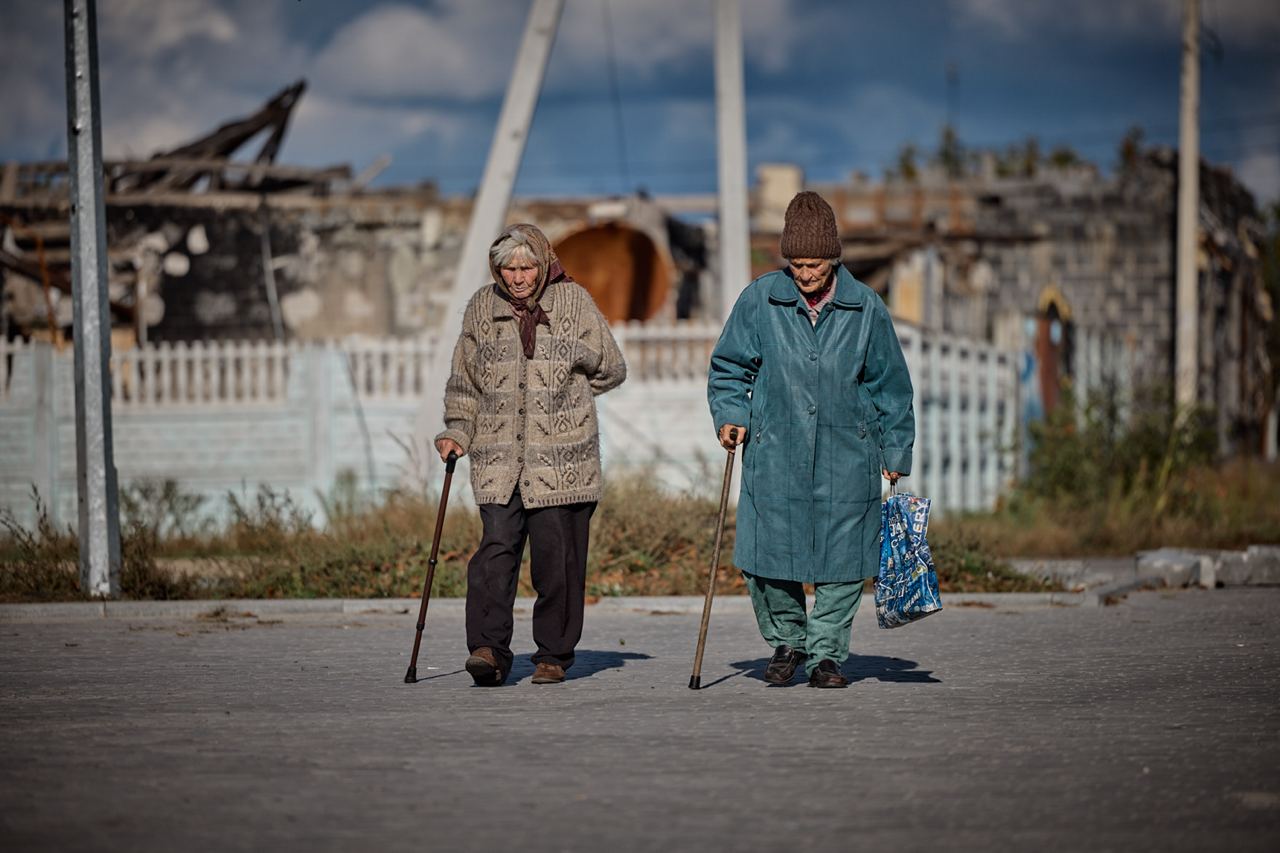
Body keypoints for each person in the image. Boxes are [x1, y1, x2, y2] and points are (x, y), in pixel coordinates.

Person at [707, 192, 915, 688]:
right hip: (774, 448)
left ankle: (825, 655)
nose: (805, 274)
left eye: (815, 264)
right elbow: (730, 367)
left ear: (834, 258)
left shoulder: (866, 307)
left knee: (844, 562)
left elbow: (891, 386)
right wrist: (731, 414)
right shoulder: (760, 299)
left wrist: (895, 450)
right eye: (797, 264)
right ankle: (788, 641)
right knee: (766, 556)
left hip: (849, 453)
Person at [435, 223, 626, 686]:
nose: (518, 277)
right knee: (494, 552)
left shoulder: (574, 303)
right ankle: (488, 649)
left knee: (556, 559)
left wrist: (566, 394)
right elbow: (465, 382)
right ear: (496, 269)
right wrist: (457, 429)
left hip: (563, 459)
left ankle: (554, 655)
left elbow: (611, 368)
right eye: (509, 268)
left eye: (526, 267)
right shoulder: (483, 307)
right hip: (498, 457)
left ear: (542, 264)